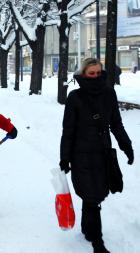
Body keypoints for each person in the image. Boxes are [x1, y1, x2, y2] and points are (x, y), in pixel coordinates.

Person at [60, 58, 134, 253]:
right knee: (92, 196)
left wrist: (127, 146)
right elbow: (68, 130)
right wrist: (65, 157)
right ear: (83, 74)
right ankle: (98, 243)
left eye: (98, 73)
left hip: (102, 153)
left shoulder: (109, 93)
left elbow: (116, 124)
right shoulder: (75, 97)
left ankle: (87, 228)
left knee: (96, 194)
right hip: (81, 155)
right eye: (91, 73)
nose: (95, 77)